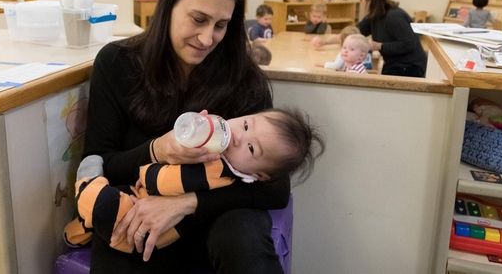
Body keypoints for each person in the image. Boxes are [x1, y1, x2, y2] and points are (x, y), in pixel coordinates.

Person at [82, 0, 291, 273]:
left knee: (243, 233)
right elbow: (99, 162)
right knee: (120, 230)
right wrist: (157, 149)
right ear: (169, 5)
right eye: (198, 19)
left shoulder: (244, 79)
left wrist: (187, 203)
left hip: (214, 218)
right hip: (139, 208)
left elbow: (275, 186)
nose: (208, 38)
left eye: (221, 25)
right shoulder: (116, 63)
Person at [64, 108, 323, 255]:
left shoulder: (218, 170)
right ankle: (83, 227)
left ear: (259, 175)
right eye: (245, 125)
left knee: (101, 204)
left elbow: (163, 183)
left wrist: (183, 199)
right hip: (136, 194)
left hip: (145, 224)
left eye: (252, 149)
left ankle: (87, 182)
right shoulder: (217, 147)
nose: (236, 138)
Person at [358, 0, 427, 77]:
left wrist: (379, 46)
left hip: (409, 67)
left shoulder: (394, 16)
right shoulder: (375, 15)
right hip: (394, 63)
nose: (361, 2)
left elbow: (408, 44)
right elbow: (358, 31)